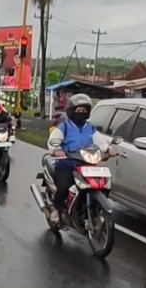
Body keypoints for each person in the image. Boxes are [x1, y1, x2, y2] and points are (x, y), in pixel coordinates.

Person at [47, 93, 115, 223]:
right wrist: (57, 150)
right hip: (67, 163)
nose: (81, 113)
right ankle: (57, 209)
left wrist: (108, 149)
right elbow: (54, 140)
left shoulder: (90, 128)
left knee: (100, 184)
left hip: (87, 163)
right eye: (78, 110)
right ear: (72, 111)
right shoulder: (65, 127)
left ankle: (90, 207)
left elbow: (100, 141)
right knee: (64, 186)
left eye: (84, 111)